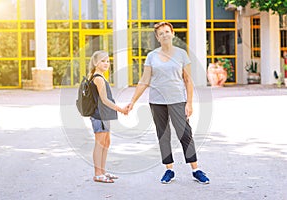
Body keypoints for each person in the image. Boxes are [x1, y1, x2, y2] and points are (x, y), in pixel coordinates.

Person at [127, 22, 210, 184]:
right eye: (161, 33)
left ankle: (196, 169)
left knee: (185, 134)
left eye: (167, 32)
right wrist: (132, 101)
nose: (164, 35)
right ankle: (169, 169)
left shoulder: (181, 54)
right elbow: (144, 81)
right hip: (157, 102)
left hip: (178, 100)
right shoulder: (151, 56)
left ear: (172, 34)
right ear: (157, 38)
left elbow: (187, 80)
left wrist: (189, 103)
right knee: (163, 136)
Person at [88, 50, 128, 183]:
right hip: (99, 115)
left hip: (104, 115)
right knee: (100, 143)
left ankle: (102, 171)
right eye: (103, 61)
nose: (106, 63)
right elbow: (104, 100)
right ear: (95, 63)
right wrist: (121, 109)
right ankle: (97, 173)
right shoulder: (98, 78)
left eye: (108, 61)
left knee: (106, 142)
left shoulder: (100, 76)